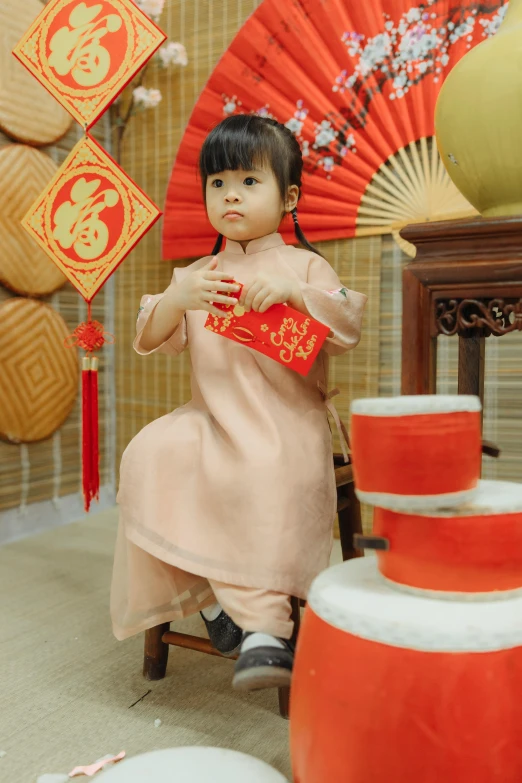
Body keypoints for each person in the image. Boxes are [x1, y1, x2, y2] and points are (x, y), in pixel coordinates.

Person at [111, 114, 367, 691]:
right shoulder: (200, 275)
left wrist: (297, 294)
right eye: (218, 182)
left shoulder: (305, 264)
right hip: (210, 419)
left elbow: (347, 320)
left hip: (285, 423)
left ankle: (265, 628)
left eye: (250, 182)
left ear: (289, 196)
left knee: (261, 473)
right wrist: (176, 298)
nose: (231, 194)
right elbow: (152, 337)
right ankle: (212, 605)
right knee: (151, 453)